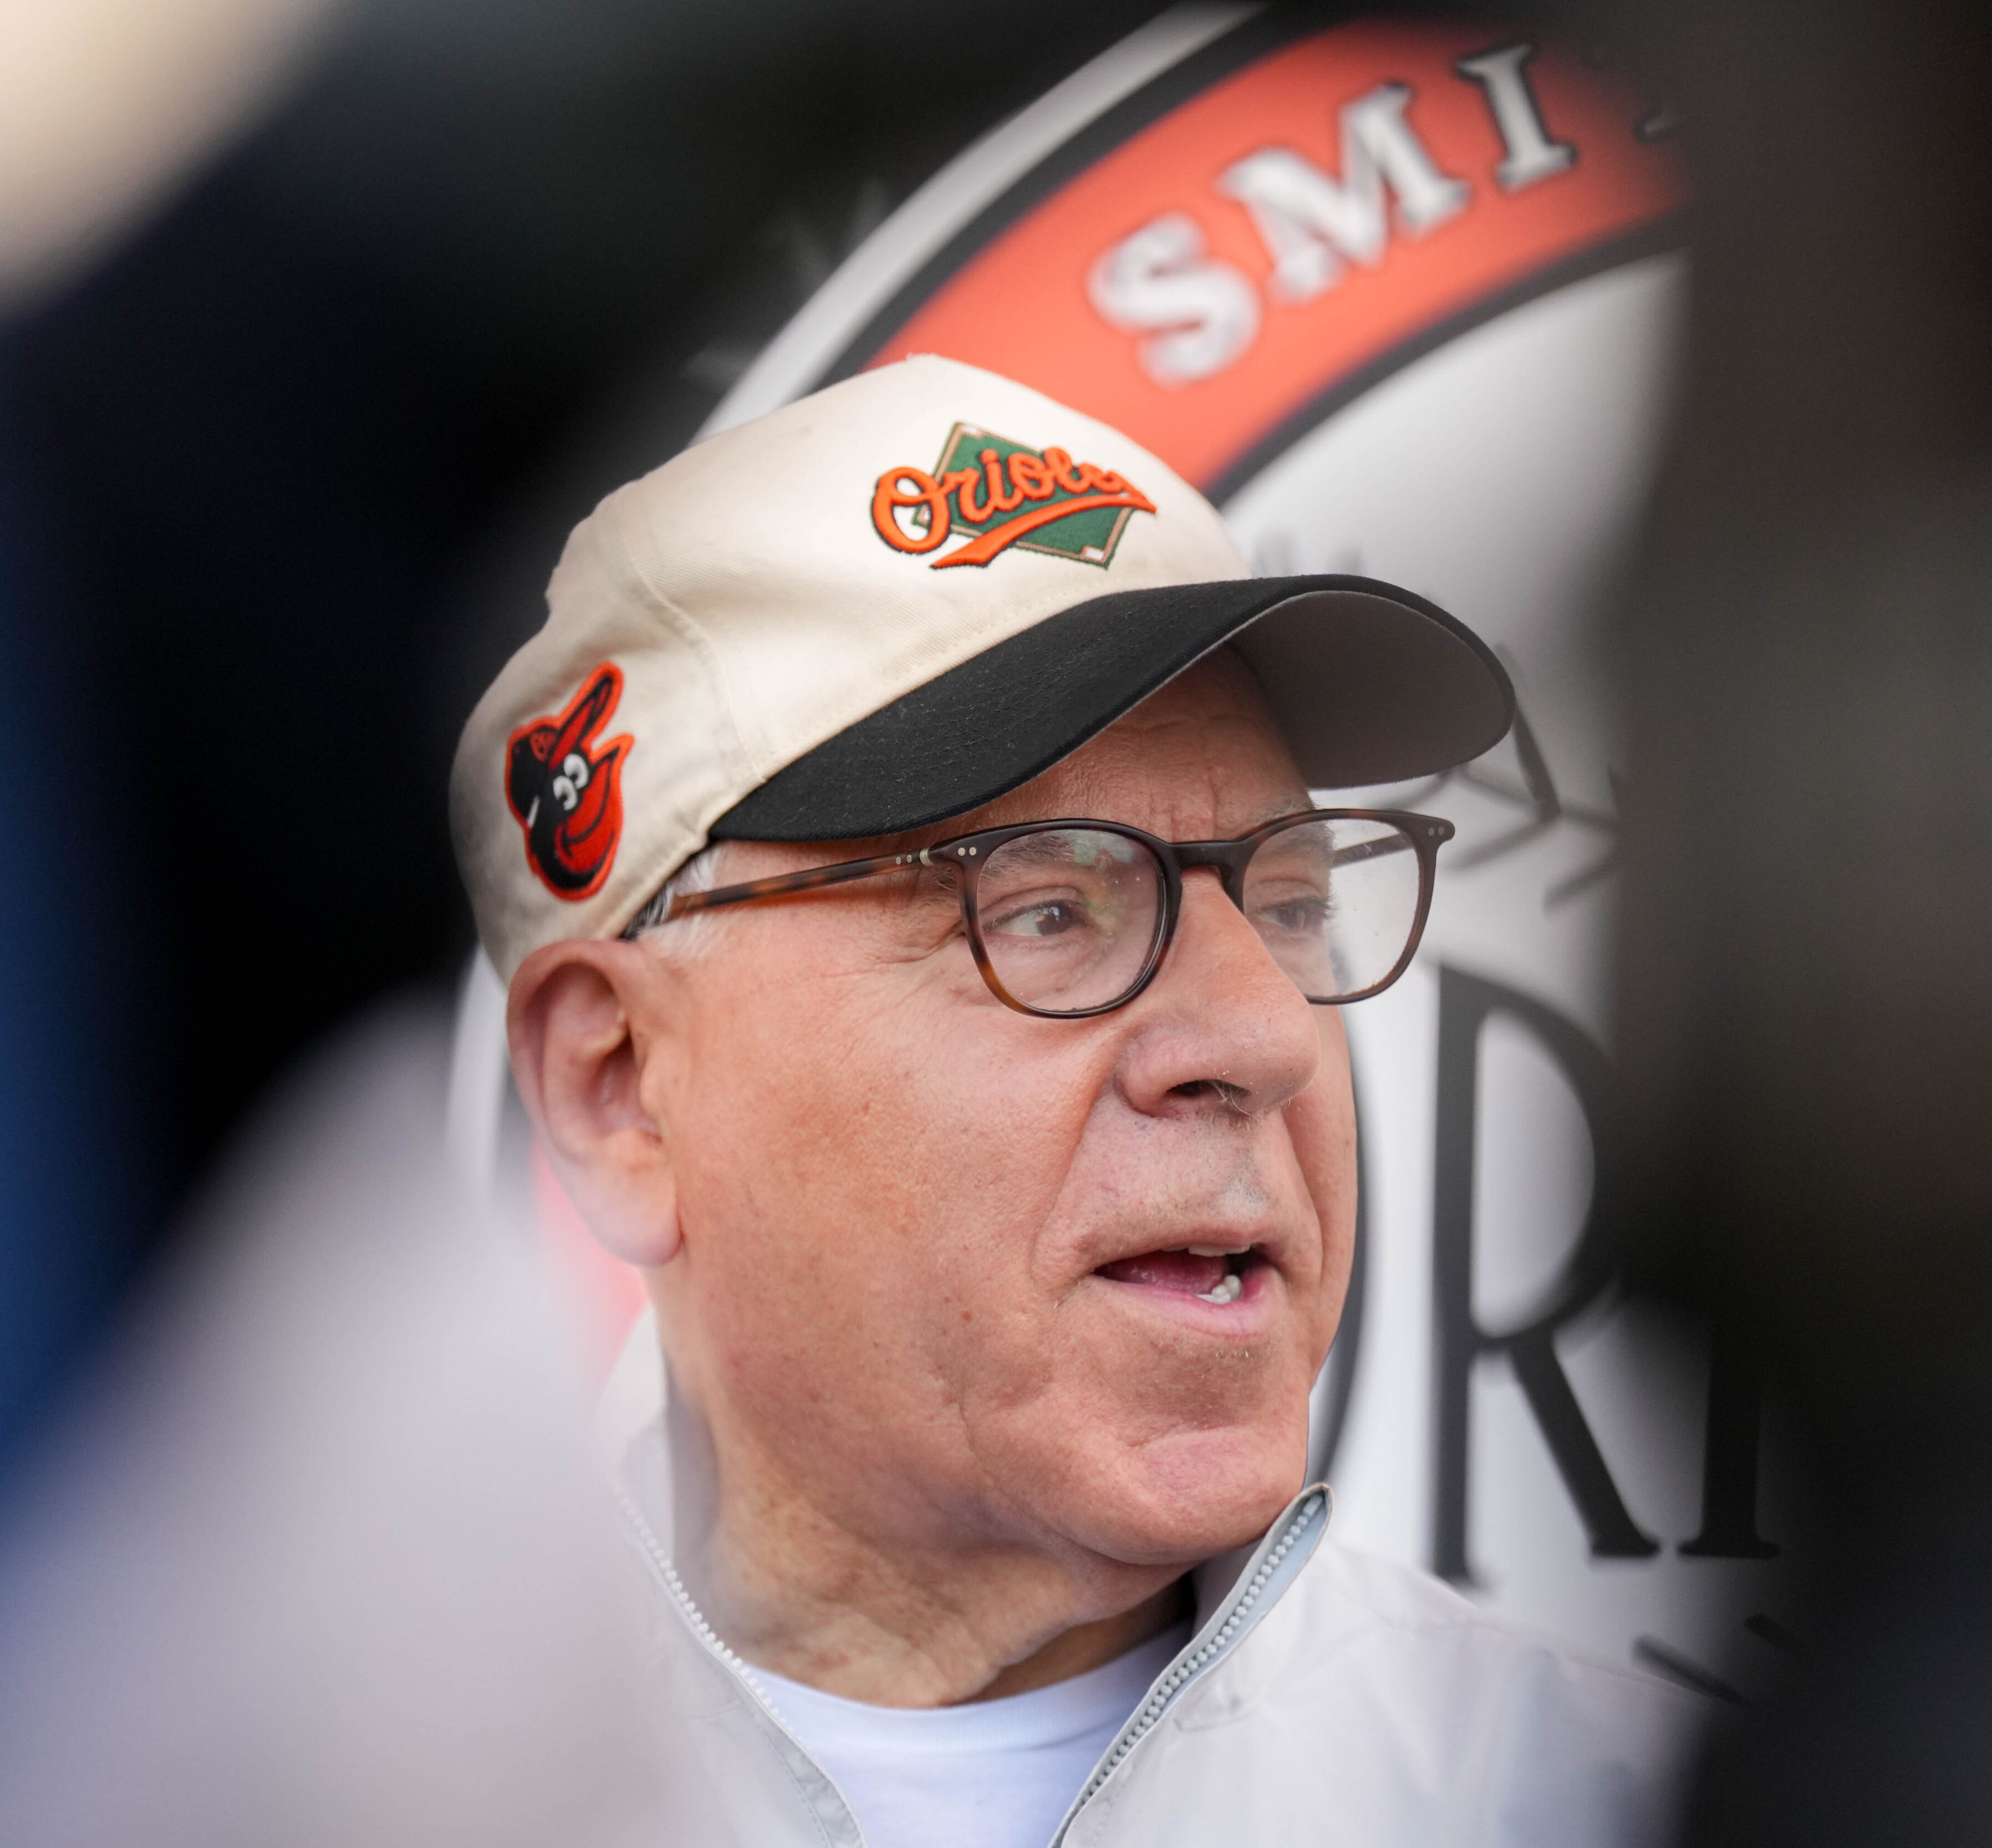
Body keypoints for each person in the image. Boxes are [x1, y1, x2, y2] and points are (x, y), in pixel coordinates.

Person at [451, 355, 1699, 1847]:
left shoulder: (1609, 1807)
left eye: (1291, 904)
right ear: (619, 1089)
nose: (1266, 1035)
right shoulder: (341, 1797)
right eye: (1046, 911)